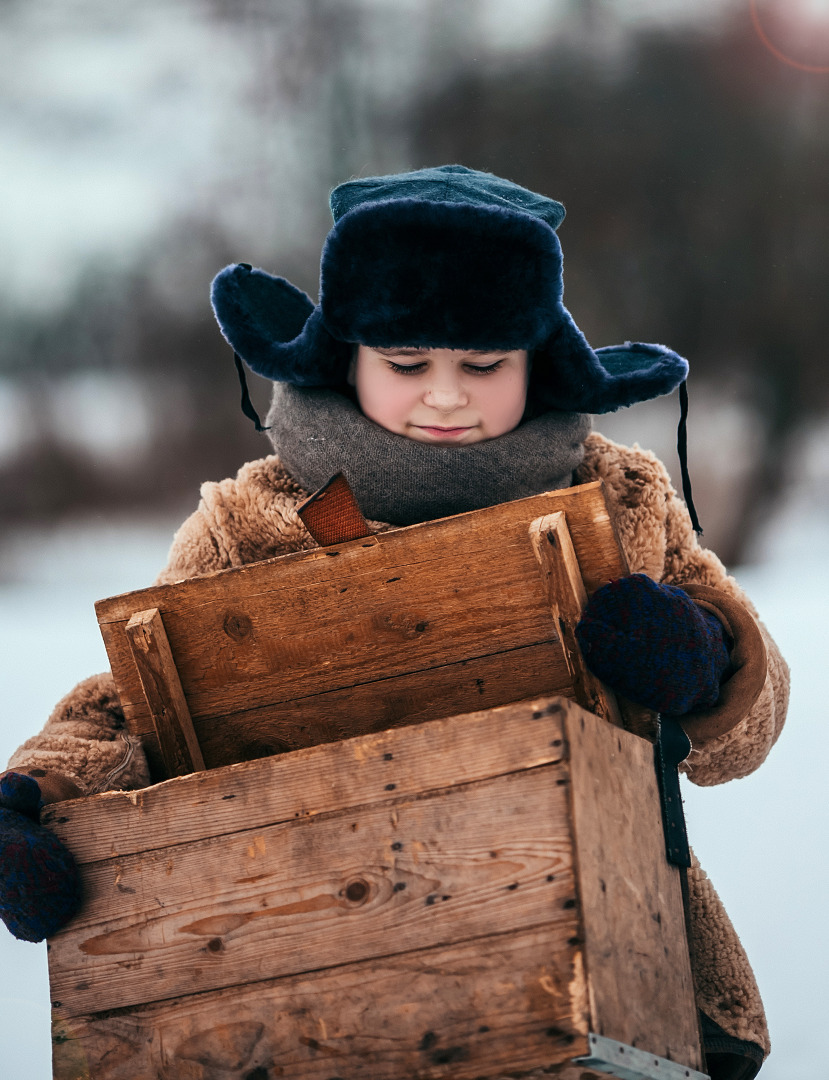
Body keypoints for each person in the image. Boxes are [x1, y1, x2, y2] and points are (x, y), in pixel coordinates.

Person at [0, 166, 788, 1079]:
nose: (445, 397)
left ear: (535, 361)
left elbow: (751, 725)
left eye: (483, 366)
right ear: (348, 360)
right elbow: (136, 704)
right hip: (323, 954)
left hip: (612, 957)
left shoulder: (619, 503)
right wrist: (38, 799)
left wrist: (702, 659)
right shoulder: (253, 524)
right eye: (407, 365)